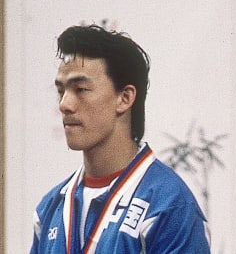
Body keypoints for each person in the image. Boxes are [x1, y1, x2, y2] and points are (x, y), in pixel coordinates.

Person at [30, 24, 211, 254]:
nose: (64, 104)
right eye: (61, 91)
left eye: (81, 89)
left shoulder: (168, 207)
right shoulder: (49, 210)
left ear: (124, 98)